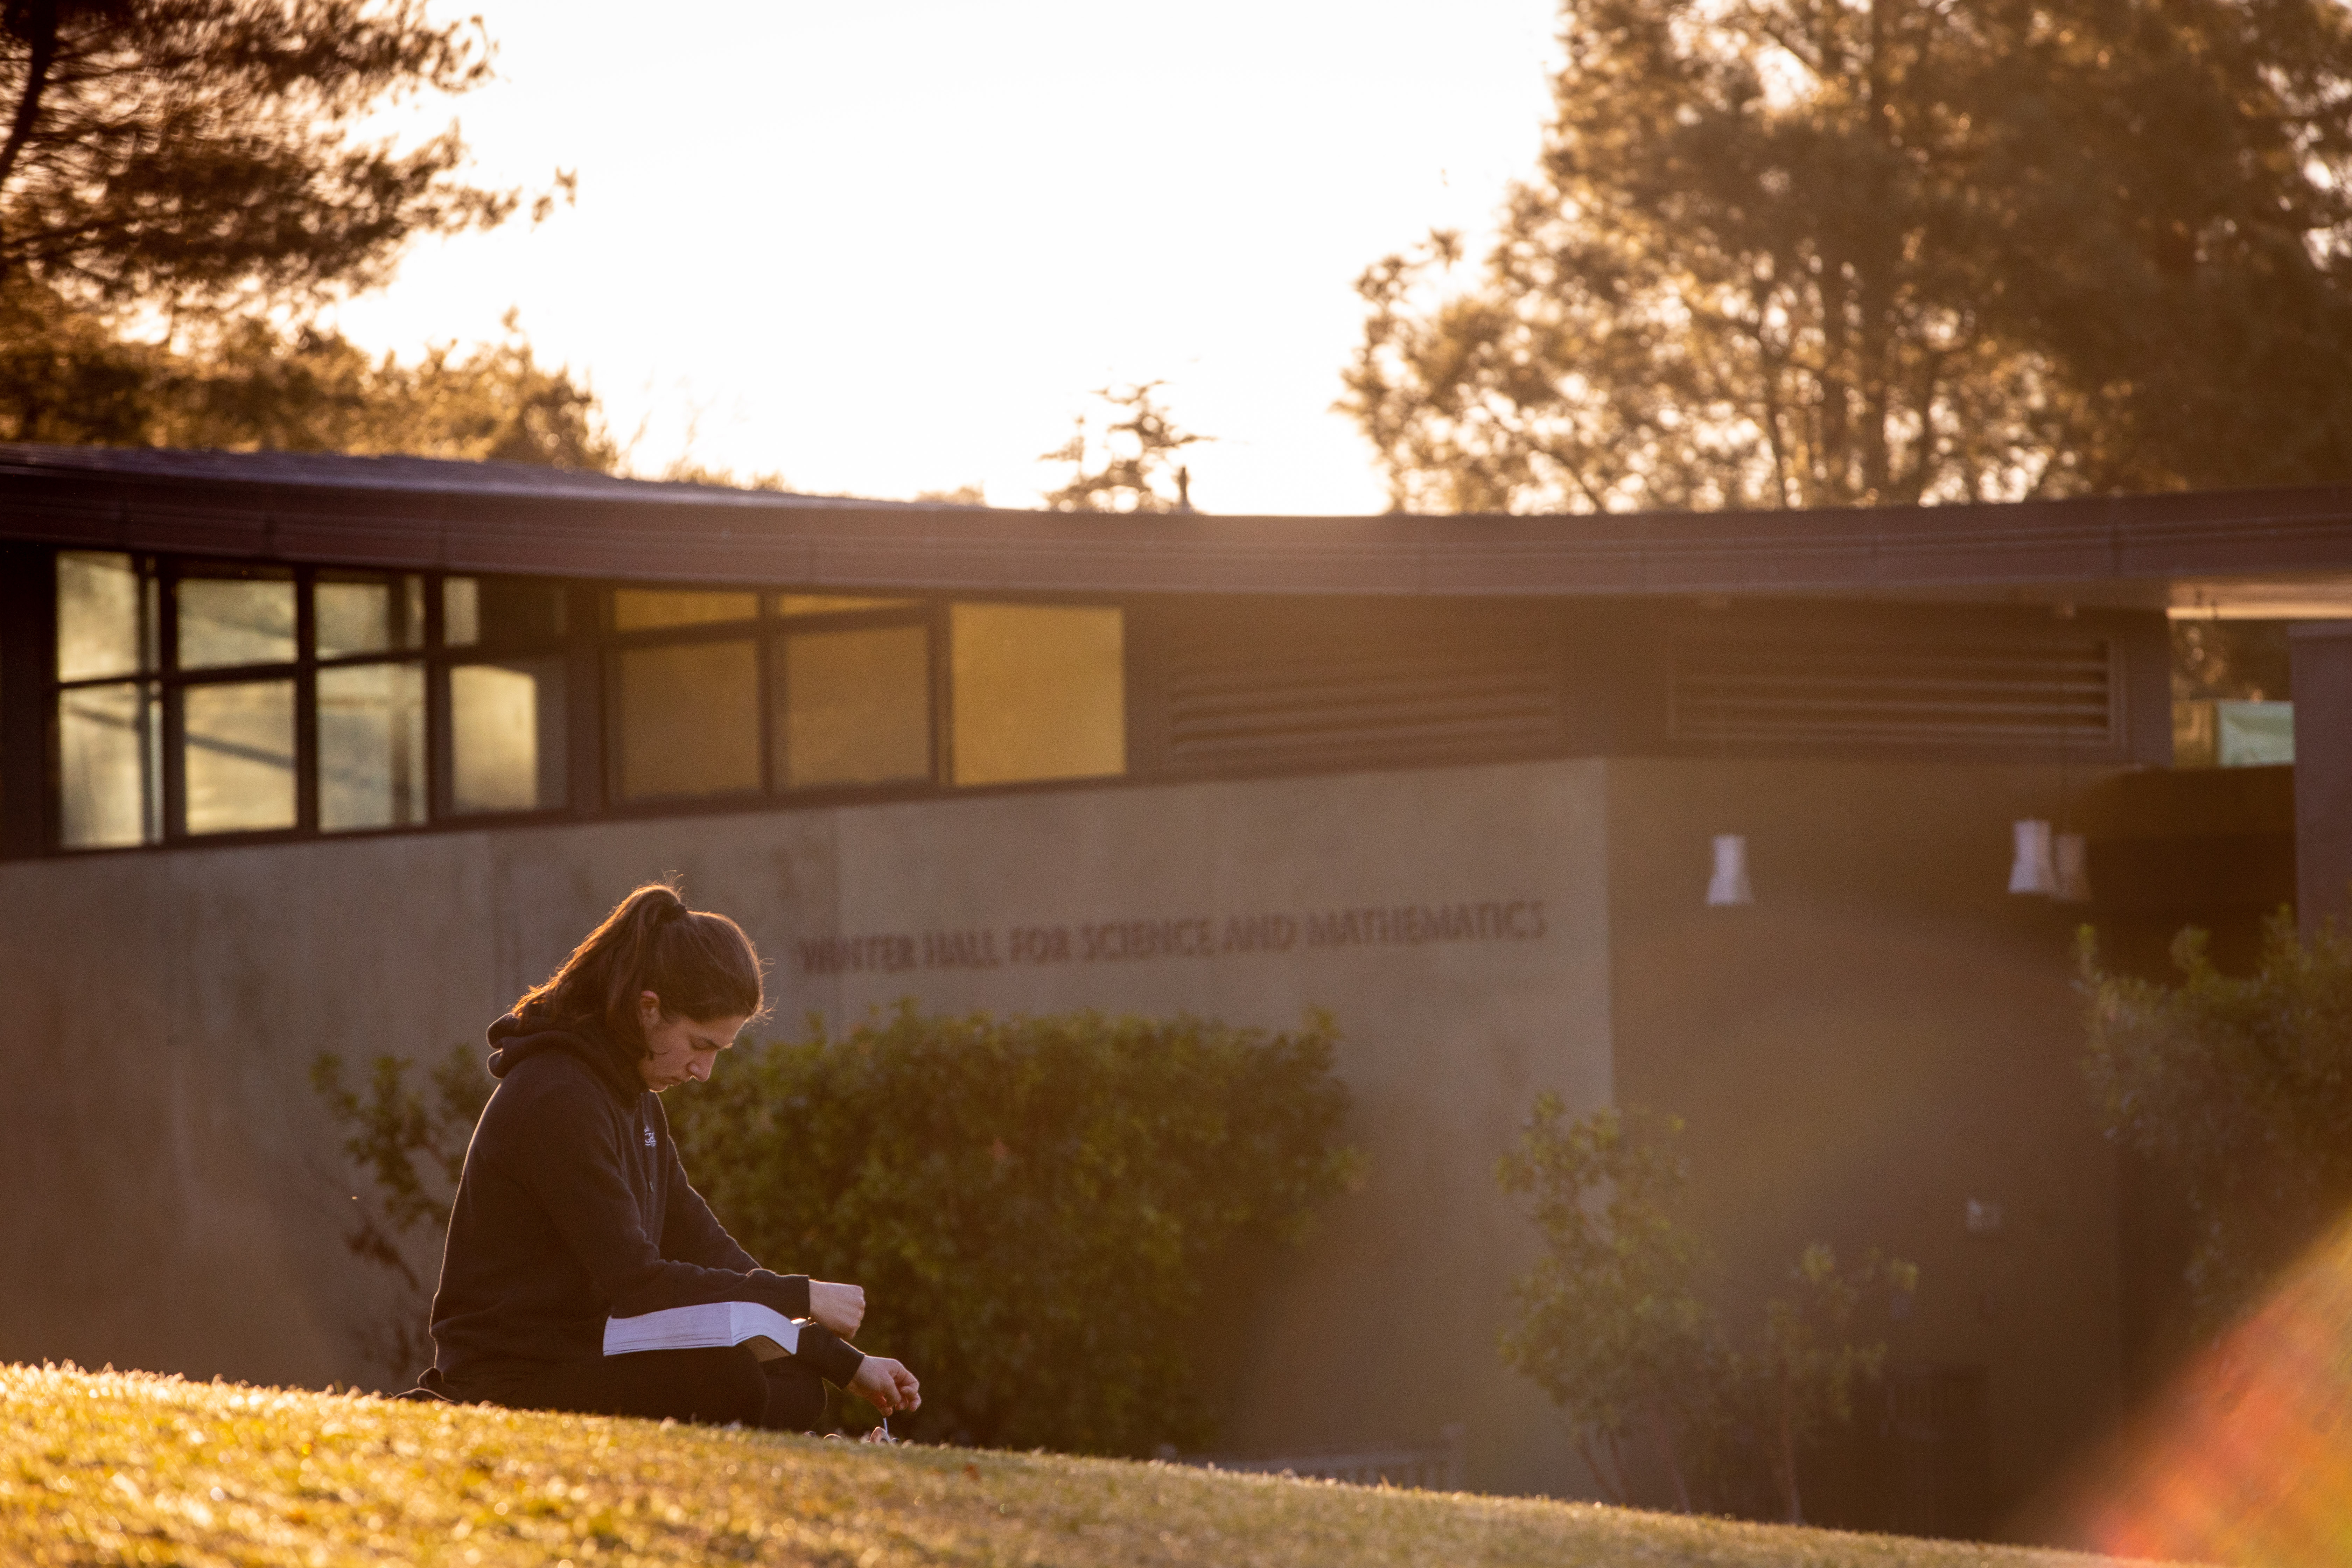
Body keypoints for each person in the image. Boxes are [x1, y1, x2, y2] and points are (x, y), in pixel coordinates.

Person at [416, 881, 920, 1432]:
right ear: (649, 1010)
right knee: (729, 1378)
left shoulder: (635, 1100)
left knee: (798, 1388)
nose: (703, 1072)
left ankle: (765, 1430)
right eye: (702, 1046)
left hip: (593, 1355)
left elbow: (702, 1242)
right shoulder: (556, 1097)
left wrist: (842, 1360)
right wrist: (800, 1294)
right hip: (512, 1377)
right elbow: (637, 1283)